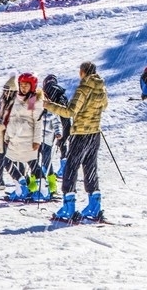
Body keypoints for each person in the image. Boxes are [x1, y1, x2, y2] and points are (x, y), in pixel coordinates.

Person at [44, 61, 109, 222]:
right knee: (90, 168)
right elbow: (104, 106)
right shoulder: (101, 87)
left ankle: (69, 207)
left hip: (81, 134)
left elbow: (69, 112)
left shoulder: (83, 88)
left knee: (71, 169)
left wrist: (49, 105)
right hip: (94, 134)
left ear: (83, 72)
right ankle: (95, 206)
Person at [3, 73, 48, 202]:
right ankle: (21, 187)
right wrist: (7, 135)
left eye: (26, 85)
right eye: (21, 85)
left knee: (32, 164)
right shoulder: (18, 98)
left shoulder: (33, 99)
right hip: (16, 138)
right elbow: (12, 119)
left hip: (28, 138)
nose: (23, 88)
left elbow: (36, 122)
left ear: (32, 86)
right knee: (8, 162)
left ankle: (43, 191)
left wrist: (36, 140)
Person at [42, 75, 72, 177]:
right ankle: (64, 167)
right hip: (65, 119)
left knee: (46, 147)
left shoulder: (45, 91)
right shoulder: (61, 92)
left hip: (53, 120)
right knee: (63, 143)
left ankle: (46, 168)